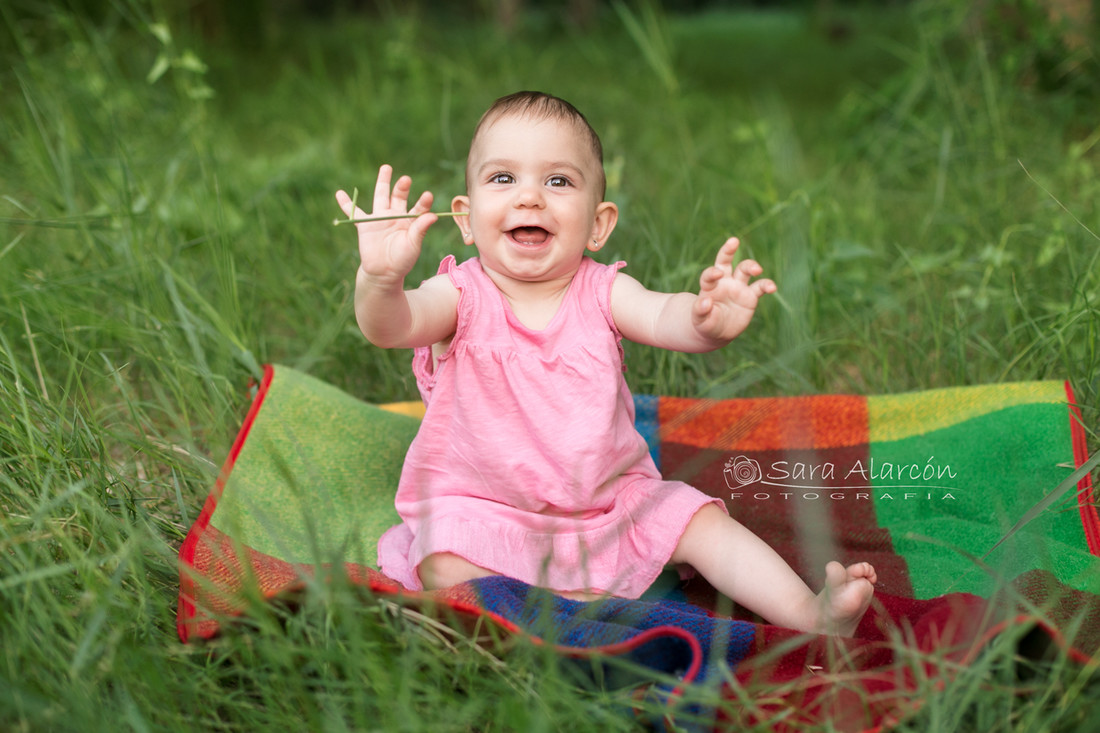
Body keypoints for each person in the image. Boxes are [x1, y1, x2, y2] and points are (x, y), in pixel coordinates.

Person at [336, 91, 876, 635]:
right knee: (443, 559)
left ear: (599, 224)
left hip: (605, 505)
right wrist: (380, 279)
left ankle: (812, 613)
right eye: (503, 178)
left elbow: (663, 316)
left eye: (558, 181)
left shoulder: (603, 292)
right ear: (466, 218)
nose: (529, 197)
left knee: (700, 520)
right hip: (483, 508)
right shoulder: (458, 295)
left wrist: (706, 321)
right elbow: (391, 326)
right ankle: (554, 618)